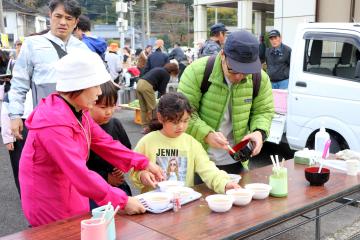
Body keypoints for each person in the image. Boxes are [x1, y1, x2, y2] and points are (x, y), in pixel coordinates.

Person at [19, 49, 164, 227]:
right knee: (65, 232)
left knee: (82, 228)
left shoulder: (78, 110)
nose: (98, 92)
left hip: (72, 187)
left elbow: (105, 142)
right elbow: (79, 172)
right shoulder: (53, 122)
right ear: (79, 85)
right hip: (48, 195)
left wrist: (143, 162)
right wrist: (123, 200)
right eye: (95, 86)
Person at [178, 30, 274, 175]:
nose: (239, 76)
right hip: (199, 160)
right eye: (233, 70)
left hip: (236, 160)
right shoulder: (197, 71)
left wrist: (259, 132)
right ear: (222, 55)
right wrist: (207, 134)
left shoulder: (260, 78)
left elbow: (263, 111)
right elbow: (182, 113)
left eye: (246, 71)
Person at [130, 92, 240, 193]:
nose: (181, 126)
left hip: (183, 202)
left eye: (185, 121)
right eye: (175, 122)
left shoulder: (192, 143)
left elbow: (208, 169)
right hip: (155, 204)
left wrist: (224, 184)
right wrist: (141, 175)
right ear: (160, 117)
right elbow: (133, 171)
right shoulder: (147, 142)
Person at [87, 81, 132, 209]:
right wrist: (106, 177)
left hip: (117, 183)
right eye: (103, 107)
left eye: (112, 106)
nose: (109, 112)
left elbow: (126, 150)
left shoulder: (115, 124)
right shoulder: (84, 128)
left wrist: (121, 166)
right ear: (89, 103)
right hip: (93, 188)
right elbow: (82, 167)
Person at [136, 63, 179, 134]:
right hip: (147, 86)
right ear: (172, 71)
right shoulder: (166, 74)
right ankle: (153, 127)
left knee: (143, 108)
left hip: (139, 83)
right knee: (153, 108)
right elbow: (162, 90)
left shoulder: (159, 69)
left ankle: (144, 127)